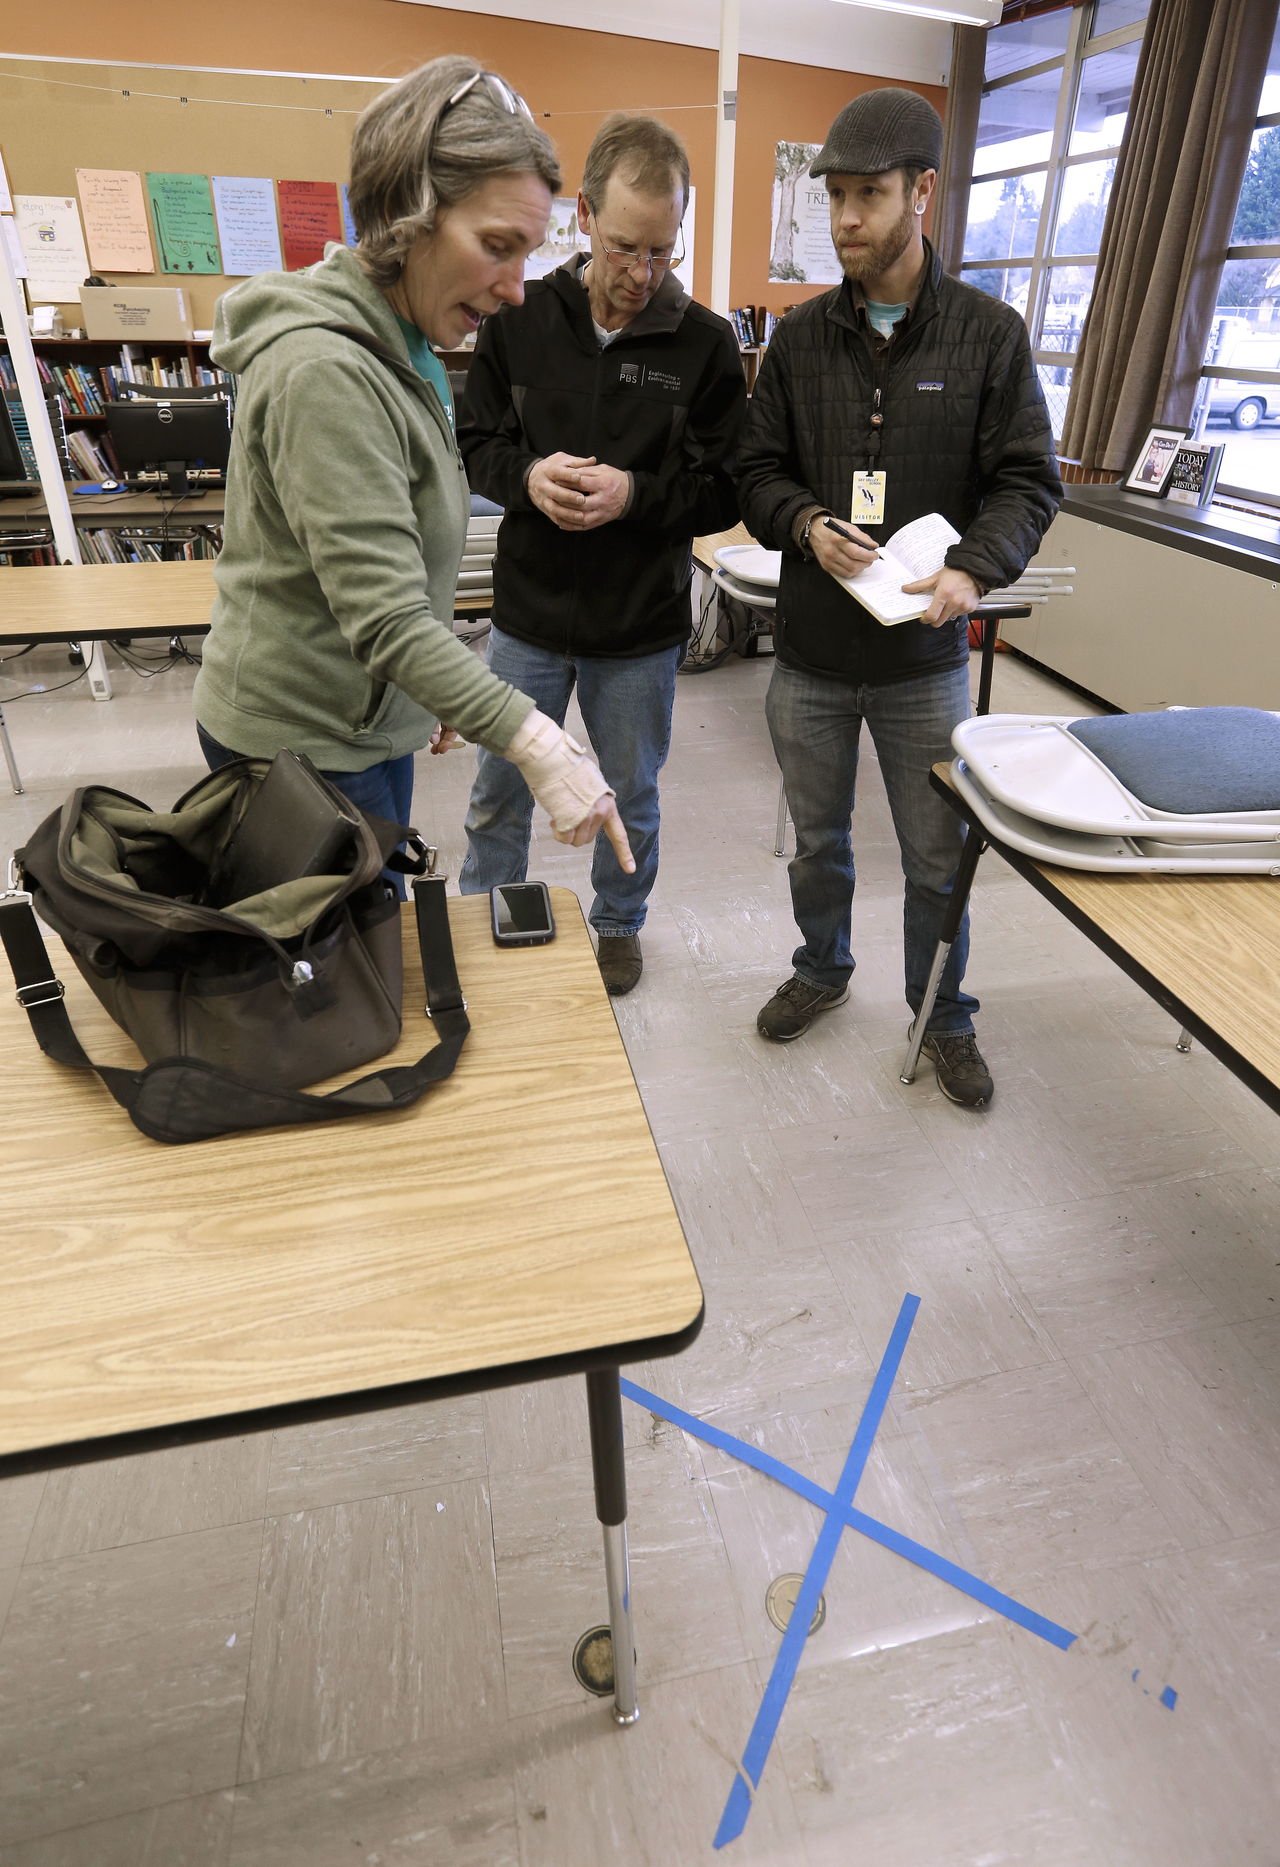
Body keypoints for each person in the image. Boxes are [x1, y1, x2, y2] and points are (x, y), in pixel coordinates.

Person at [193, 55, 632, 892]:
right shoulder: (324, 370)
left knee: (370, 949)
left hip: (362, 721)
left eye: (529, 255)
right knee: (330, 987)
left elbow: (389, 552)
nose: (514, 290)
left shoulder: (411, 346)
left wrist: (414, 695)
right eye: (497, 247)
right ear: (407, 214)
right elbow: (385, 616)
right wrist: (538, 741)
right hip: (299, 743)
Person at [736, 88, 1061, 1106]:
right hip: (812, 658)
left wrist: (973, 566)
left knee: (935, 856)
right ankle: (822, 968)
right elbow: (753, 469)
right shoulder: (797, 342)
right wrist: (800, 523)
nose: (844, 219)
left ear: (921, 192)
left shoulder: (988, 336)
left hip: (924, 661)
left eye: (867, 195)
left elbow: (1027, 480)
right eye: (834, 196)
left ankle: (943, 1012)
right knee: (818, 840)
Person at [456, 113, 746, 994]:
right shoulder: (519, 319)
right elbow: (477, 442)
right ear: (583, 216)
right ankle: (489, 910)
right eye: (625, 248)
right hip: (528, 617)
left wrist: (636, 495)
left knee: (633, 789)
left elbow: (726, 486)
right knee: (500, 786)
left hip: (640, 625)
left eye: (663, 252)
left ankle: (618, 921)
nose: (642, 275)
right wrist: (526, 478)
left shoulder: (704, 344)